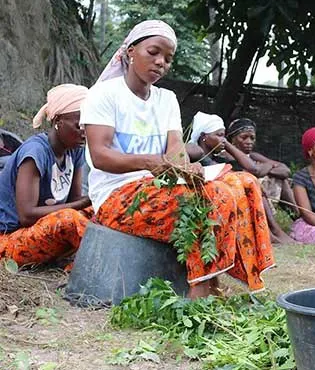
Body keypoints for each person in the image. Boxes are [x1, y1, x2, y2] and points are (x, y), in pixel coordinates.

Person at [81, 20, 275, 299]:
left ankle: (229, 280)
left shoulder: (166, 99)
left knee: (243, 183)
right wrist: (150, 163)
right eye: (153, 52)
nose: (161, 62)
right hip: (117, 196)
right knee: (211, 196)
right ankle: (199, 292)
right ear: (130, 51)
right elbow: (100, 156)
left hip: (160, 185)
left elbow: (175, 150)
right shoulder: (104, 94)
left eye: (168, 58)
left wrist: (187, 167)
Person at [0, 84, 92, 267]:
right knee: (69, 219)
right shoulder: (35, 153)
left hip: (38, 229)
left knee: (99, 210)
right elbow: (26, 215)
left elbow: (74, 200)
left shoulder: (75, 150)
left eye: (89, 124)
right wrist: (81, 203)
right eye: (79, 125)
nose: (85, 131)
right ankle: (90, 265)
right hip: (9, 238)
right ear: (58, 120)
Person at [185, 112, 296, 244]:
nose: (223, 140)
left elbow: (280, 170)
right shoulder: (199, 153)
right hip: (211, 199)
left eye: (224, 136)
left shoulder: (216, 157)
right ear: (204, 136)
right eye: (219, 135)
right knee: (250, 181)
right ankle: (272, 231)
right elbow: (254, 169)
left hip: (227, 194)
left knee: (252, 182)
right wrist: (228, 144)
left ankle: (280, 227)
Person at [225, 117, 296, 208]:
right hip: (240, 192)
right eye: (244, 137)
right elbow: (256, 171)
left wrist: (266, 169)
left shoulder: (253, 156)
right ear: (232, 139)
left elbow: (286, 171)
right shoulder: (227, 156)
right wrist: (268, 167)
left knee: (282, 178)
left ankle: (298, 215)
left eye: (252, 138)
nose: (249, 142)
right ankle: (296, 215)